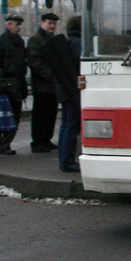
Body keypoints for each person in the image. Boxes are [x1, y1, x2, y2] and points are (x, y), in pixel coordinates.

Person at [43, 15, 82, 173]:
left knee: (66, 125)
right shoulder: (77, 43)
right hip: (72, 90)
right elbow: (80, 64)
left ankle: (64, 159)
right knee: (71, 126)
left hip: (64, 90)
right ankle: (67, 160)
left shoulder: (66, 42)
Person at [0, 14, 28, 157]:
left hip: (16, 83)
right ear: (8, 24)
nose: (19, 27)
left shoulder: (19, 41)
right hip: (5, 85)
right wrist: (2, 82)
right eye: (16, 24)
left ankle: (5, 144)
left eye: (19, 24)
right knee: (2, 116)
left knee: (14, 117)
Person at [26, 12, 60, 153]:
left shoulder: (51, 39)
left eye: (53, 24)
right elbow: (35, 62)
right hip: (42, 85)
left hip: (52, 85)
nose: (51, 26)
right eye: (49, 23)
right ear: (42, 23)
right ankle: (38, 141)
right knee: (41, 114)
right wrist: (51, 76)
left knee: (50, 113)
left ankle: (46, 139)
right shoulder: (35, 40)